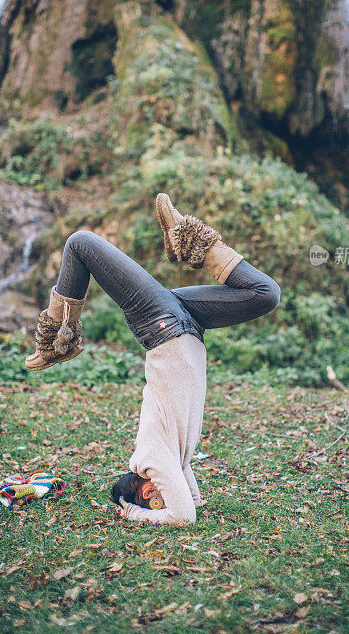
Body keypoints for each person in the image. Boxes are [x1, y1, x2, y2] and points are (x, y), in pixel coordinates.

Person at [25, 194, 281, 525]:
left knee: (79, 243)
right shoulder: (177, 458)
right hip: (190, 323)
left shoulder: (154, 459)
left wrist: (132, 512)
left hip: (162, 325)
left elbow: (181, 517)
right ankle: (186, 239)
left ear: (147, 491)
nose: (164, 499)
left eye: (156, 501)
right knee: (265, 294)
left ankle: (56, 336)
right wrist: (159, 502)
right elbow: (193, 503)